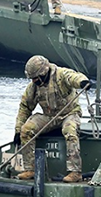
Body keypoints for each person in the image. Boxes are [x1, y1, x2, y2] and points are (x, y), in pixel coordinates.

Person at [14, 55, 90, 183]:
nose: (34, 82)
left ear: (44, 73)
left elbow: (73, 77)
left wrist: (82, 82)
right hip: (49, 116)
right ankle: (30, 168)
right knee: (26, 130)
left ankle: (75, 171)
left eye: (36, 79)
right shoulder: (34, 88)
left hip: (69, 113)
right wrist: (18, 130)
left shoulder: (60, 75)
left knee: (70, 131)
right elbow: (25, 107)